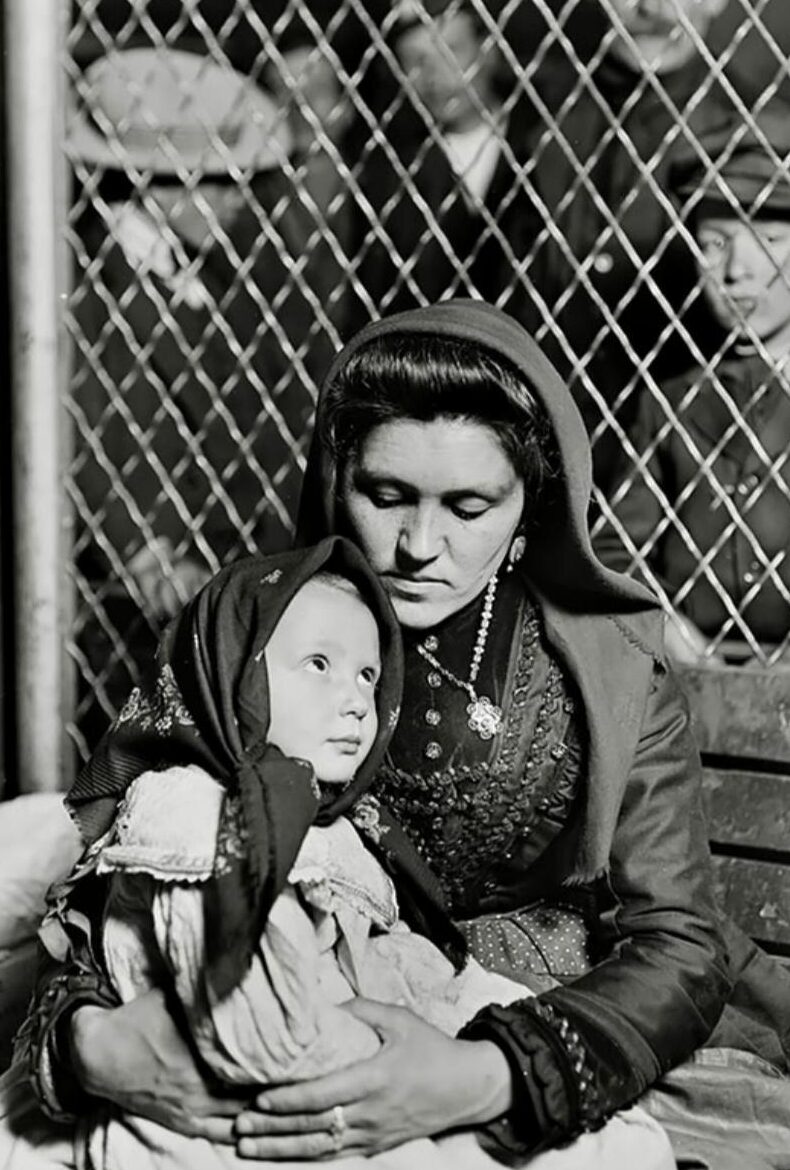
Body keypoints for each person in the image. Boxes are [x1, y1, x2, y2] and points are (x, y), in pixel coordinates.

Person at [24, 302, 790, 1167]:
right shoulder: (248, 638)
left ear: (527, 516)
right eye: (385, 496)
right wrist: (96, 1047)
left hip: (544, 1021)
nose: (420, 544)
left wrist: (481, 1075)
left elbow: (678, 942)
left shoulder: (606, 673)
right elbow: (136, 872)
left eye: (470, 506)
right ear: (331, 481)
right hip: (285, 997)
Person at [0, 537, 670, 1170]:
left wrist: (484, 1046)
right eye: (319, 666)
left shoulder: (337, 820)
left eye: (368, 678)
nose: (355, 702)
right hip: (241, 1115)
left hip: (344, 1075)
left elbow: (416, 966)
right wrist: (378, 1062)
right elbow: (254, 1020)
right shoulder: (195, 813)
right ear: (235, 674)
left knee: (624, 1146)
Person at [67, 46, 319, 745]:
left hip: (218, 573)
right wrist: (142, 549)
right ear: (160, 183)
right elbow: (78, 424)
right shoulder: (86, 281)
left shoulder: (205, 272)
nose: (240, 199)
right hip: (131, 600)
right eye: (222, 181)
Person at [594, 103, 790, 663]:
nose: (737, 271)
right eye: (715, 244)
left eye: (771, 241)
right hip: (691, 669)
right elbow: (616, 547)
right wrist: (666, 630)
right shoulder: (674, 399)